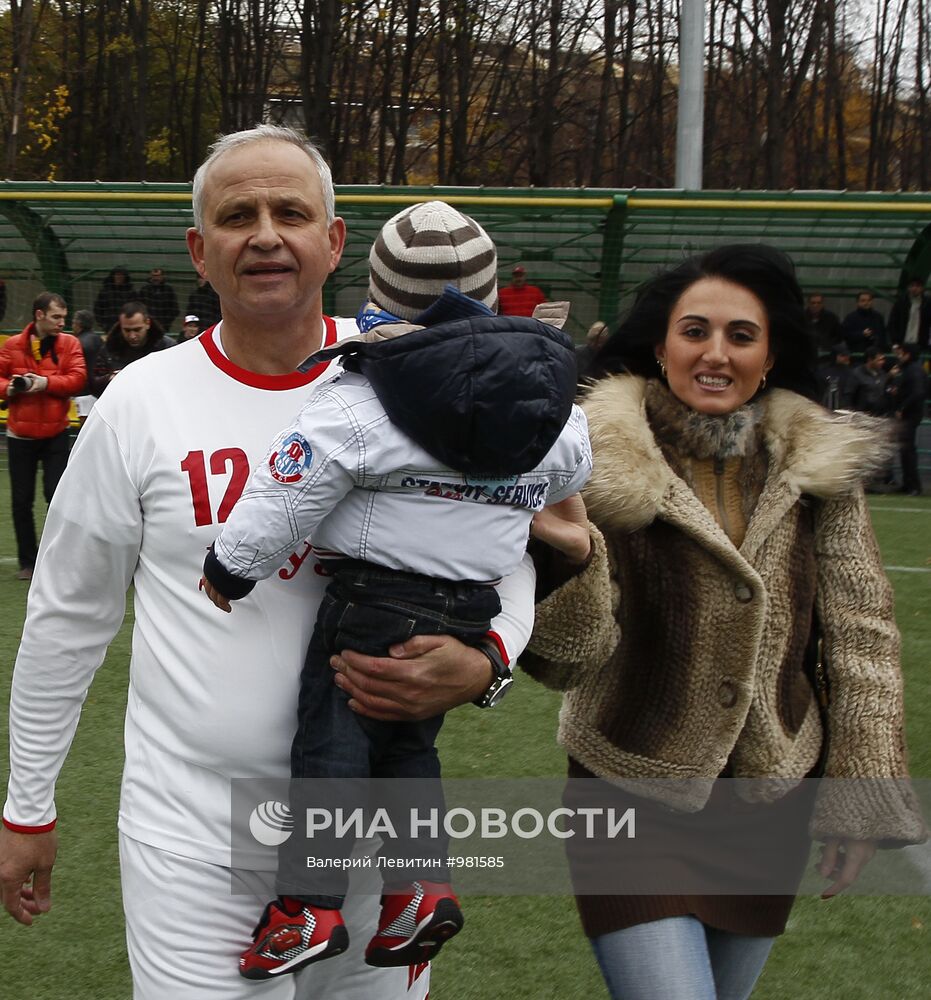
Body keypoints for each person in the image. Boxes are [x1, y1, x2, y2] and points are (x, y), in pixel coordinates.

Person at [0, 124, 535, 1000]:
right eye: (235, 215)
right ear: (198, 252)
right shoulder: (142, 401)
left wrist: (487, 659)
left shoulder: (419, 382)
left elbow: (506, 547)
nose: (263, 233)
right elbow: (68, 616)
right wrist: (28, 805)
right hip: (194, 836)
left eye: (290, 212)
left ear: (332, 241)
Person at [523, 244, 926, 1000]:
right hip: (628, 789)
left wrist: (860, 791)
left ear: (769, 355)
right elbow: (566, 660)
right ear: (660, 343)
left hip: (767, 802)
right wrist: (574, 557)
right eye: (694, 331)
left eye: (740, 335)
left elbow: (861, 636)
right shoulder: (591, 458)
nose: (715, 353)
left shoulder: (817, 466)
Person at [200, 200, 590, 979]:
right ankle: (419, 886)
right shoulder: (547, 400)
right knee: (408, 747)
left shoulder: (364, 395)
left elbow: (290, 489)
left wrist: (231, 566)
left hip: (373, 598)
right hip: (470, 604)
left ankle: (306, 906)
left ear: (379, 291)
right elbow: (572, 476)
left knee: (330, 748)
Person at [0, 292, 85, 581]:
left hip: (56, 433)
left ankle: (60, 556)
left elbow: (78, 378)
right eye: (56, 317)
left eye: (64, 317)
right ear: (39, 315)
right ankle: (28, 561)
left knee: (57, 496)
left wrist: (46, 382)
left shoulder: (70, 344)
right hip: (20, 435)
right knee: (21, 500)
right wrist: (9, 388)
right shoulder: (12, 346)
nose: (63, 322)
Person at [90, 300, 175, 396]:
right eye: (127, 330)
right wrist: (111, 378)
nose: (132, 336)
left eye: (137, 330)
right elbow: (95, 385)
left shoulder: (167, 347)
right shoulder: (109, 348)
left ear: (147, 323)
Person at [890, 342, 928, 495]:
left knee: (908, 451)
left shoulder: (913, 371)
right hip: (911, 414)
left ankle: (913, 485)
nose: (899, 356)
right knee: (906, 450)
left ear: (908, 354)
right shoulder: (912, 370)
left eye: (901, 353)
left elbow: (917, 393)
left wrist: (902, 407)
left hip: (910, 415)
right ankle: (908, 484)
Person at [70, 309, 103, 424]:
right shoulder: (98, 339)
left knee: (85, 429)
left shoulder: (77, 343)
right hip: (98, 390)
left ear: (79, 324)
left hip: (84, 393)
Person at [887, 278, 931, 350]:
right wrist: (895, 341)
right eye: (912, 286)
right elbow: (892, 323)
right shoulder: (900, 303)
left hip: (921, 344)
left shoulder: (927, 304)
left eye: (917, 286)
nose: (914, 288)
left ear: (922, 288)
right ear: (908, 288)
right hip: (902, 343)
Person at [93, 266, 136, 331]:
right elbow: (98, 307)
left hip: (126, 325)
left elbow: (134, 309)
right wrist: (101, 323)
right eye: (117, 274)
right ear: (113, 276)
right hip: (109, 326)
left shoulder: (131, 292)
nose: (119, 277)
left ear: (125, 277)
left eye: (121, 275)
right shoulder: (105, 291)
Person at [137, 267, 180, 332]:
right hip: (148, 325)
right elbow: (139, 307)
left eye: (157, 276)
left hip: (163, 326)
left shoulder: (168, 290)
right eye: (154, 276)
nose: (155, 278)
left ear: (162, 276)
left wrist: (166, 322)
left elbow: (175, 309)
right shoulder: (144, 290)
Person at [850, 346, 890, 416]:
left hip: (880, 415)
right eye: (879, 360)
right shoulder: (857, 374)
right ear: (870, 360)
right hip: (862, 416)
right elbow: (849, 395)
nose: (882, 362)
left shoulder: (882, 373)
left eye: (883, 359)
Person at [815, 344, 856, 409]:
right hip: (826, 409)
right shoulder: (823, 371)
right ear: (835, 356)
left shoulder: (850, 372)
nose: (847, 357)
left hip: (845, 410)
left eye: (847, 355)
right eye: (843, 355)